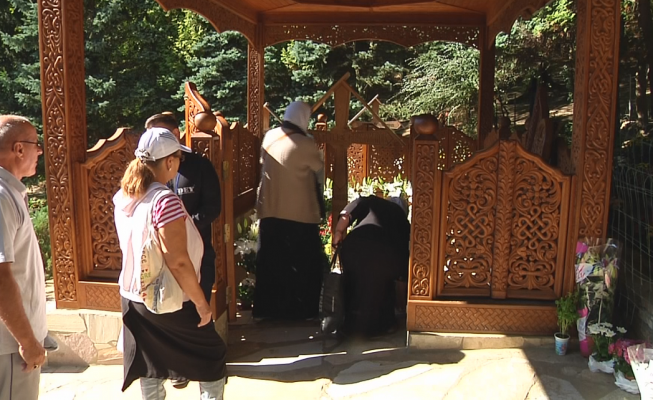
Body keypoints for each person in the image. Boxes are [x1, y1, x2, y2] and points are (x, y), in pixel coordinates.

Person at [114, 127, 227, 399]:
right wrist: (201, 303)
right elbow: (178, 261)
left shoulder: (125, 197)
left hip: (134, 296)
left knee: (150, 362)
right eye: (178, 158)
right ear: (168, 162)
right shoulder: (165, 201)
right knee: (211, 357)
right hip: (168, 297)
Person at [254, 101, 327, 320]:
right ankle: (302, 311)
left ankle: (267, 311)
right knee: (303, 264)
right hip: (299, 214)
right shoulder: (305, 143)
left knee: (271, 263)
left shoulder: (270, 136)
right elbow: (319, 170)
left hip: (270, 211)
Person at [0, 115, 47, 400]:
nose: (39, 151)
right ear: (19, 149)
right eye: (35, 144)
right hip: (10, 347)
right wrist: (27, 341)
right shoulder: (2, 197)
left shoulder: (11, 192)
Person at [332, 195, 411, 338]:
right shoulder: (403, 221)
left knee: (352, 283)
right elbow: (402, 269)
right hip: (383, 255)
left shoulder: (371, 201)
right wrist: (402, 305)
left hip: (353, 246)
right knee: (382, 287)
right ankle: (380, 326)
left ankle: (349, 325)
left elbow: (346, 215)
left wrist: (338, 233)